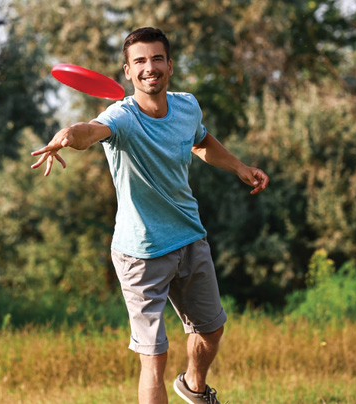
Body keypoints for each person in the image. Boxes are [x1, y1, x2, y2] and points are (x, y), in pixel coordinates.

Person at [31, 27, 268, 404]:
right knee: (153, 357)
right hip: (141, 252)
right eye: (139, 61)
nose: (149, 68)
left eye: (157, 59)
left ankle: (194, 385)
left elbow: (200, 141)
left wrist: (239, 167)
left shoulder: (188, 105)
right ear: (127, 72)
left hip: (189, 236)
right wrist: (67, 134)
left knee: (211, 331)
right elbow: (89, 132)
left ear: (170, 66)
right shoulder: (121, 117)